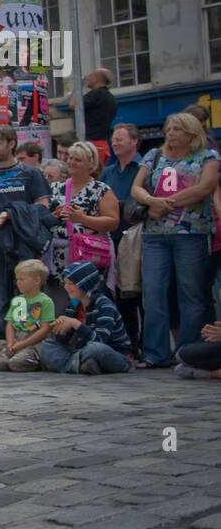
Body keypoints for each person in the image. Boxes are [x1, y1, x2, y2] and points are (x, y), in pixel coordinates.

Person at [131, 112, 221, 368]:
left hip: (191, 233)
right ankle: (155, 353)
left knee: (191, 293)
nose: (170, 133)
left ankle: (187, 353)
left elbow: (205, 188)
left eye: (177, 129)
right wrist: (151, 202)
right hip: (155, 234)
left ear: (191, 133)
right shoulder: (154, 155)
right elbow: (137, 187)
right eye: (168, 129)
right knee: (154, 292)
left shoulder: (208, 157)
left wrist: (166, 203)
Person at [0, 125, 52, 344]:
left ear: (11, 143)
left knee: (30, 294)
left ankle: (33, 342)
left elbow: (43, 207)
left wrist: (13, 214)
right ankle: (6, 343)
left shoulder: (31, 173)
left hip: (24, 238)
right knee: (0, 299)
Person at [40, 261, 133, 374]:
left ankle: (72, 366)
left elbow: (100, 341)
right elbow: (62, 342)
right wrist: (61, 328)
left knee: (95, 348)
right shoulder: (73, 305)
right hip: (83, 351)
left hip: (113, 353)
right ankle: (82, 367)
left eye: (71, 284)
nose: (66, 287)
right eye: (65, 283)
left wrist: (75, 324)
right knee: (47, 345)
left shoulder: (104, 305)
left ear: (84, 284)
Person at [102, 122, 145, 350]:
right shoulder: (108, 172)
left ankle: (147, 343)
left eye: (120, 139)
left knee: (142, 293)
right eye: (114, 139)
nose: (115, 143)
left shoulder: (143, 168)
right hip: (114, 238)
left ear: (134, 141)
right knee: (122, 294)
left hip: (137, 238)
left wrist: (118, 205)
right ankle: (130, 342)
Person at [48, 141, 119, 276]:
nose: (72, 162)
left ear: (91, 164)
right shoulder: (55, 187)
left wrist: (83, 219)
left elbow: (113, 222)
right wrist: (54, 215)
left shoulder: (101, 190)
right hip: (58, 257)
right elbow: (44, 216)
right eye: (70, 158)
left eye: (78, 160)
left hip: (88, 256)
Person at [0, 259, 54, 372]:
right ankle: (13, 353)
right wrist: (10, 343)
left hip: (34, 342)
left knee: (17, 363)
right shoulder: (17, 300)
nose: (18, 282)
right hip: (17, 340)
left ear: (37, 280)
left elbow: (45, 329)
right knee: (0, 360)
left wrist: (23, 344)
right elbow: (10, 324)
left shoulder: (46, 301)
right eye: (17, 279)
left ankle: (32, 359)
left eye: (22, 279)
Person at [68, 67, 117, 167]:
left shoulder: (96, 94)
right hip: (103, 145)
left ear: (96, 79)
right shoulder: (111, 98)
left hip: (92, 145)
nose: (88, 78)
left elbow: (73, 104)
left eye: (90, 76)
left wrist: (78, 86)